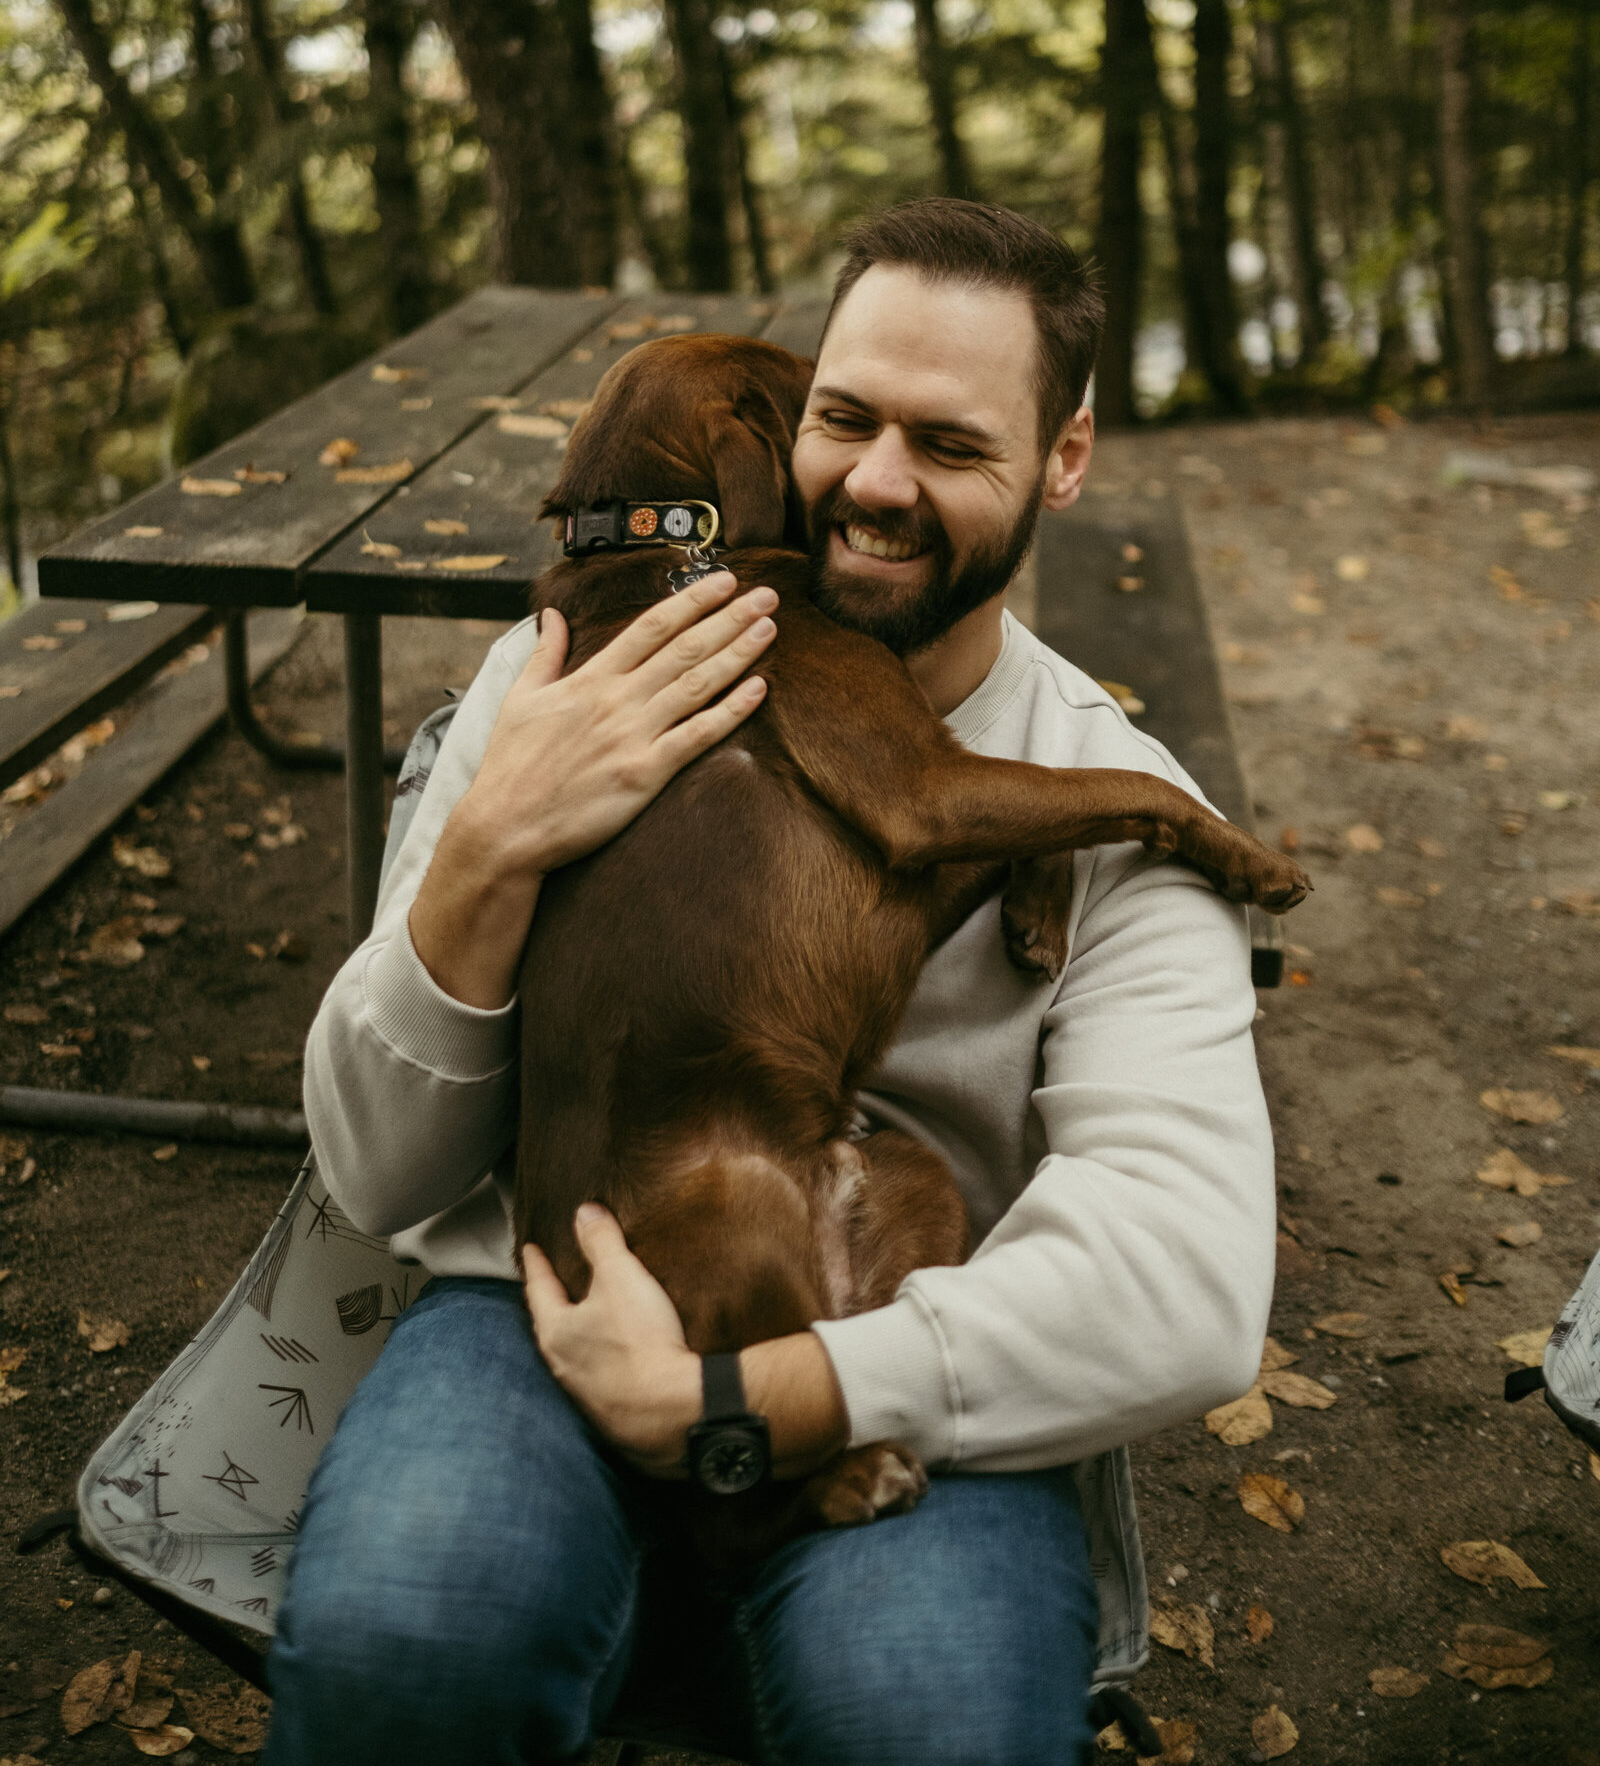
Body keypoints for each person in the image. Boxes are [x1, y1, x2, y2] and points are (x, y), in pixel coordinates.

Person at [265, 199, 1275, 1766]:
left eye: (950, 443)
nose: (874, 482)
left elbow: (1194, 1292)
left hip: (901, 1336)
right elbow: (372, 1167)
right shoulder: (570, 681)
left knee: (930, 1720)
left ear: (1064, 461)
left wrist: (767, 1400)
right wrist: (485, 854)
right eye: (844, 417)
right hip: (544, 1300)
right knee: (403, 1641)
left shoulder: (1101, 785)